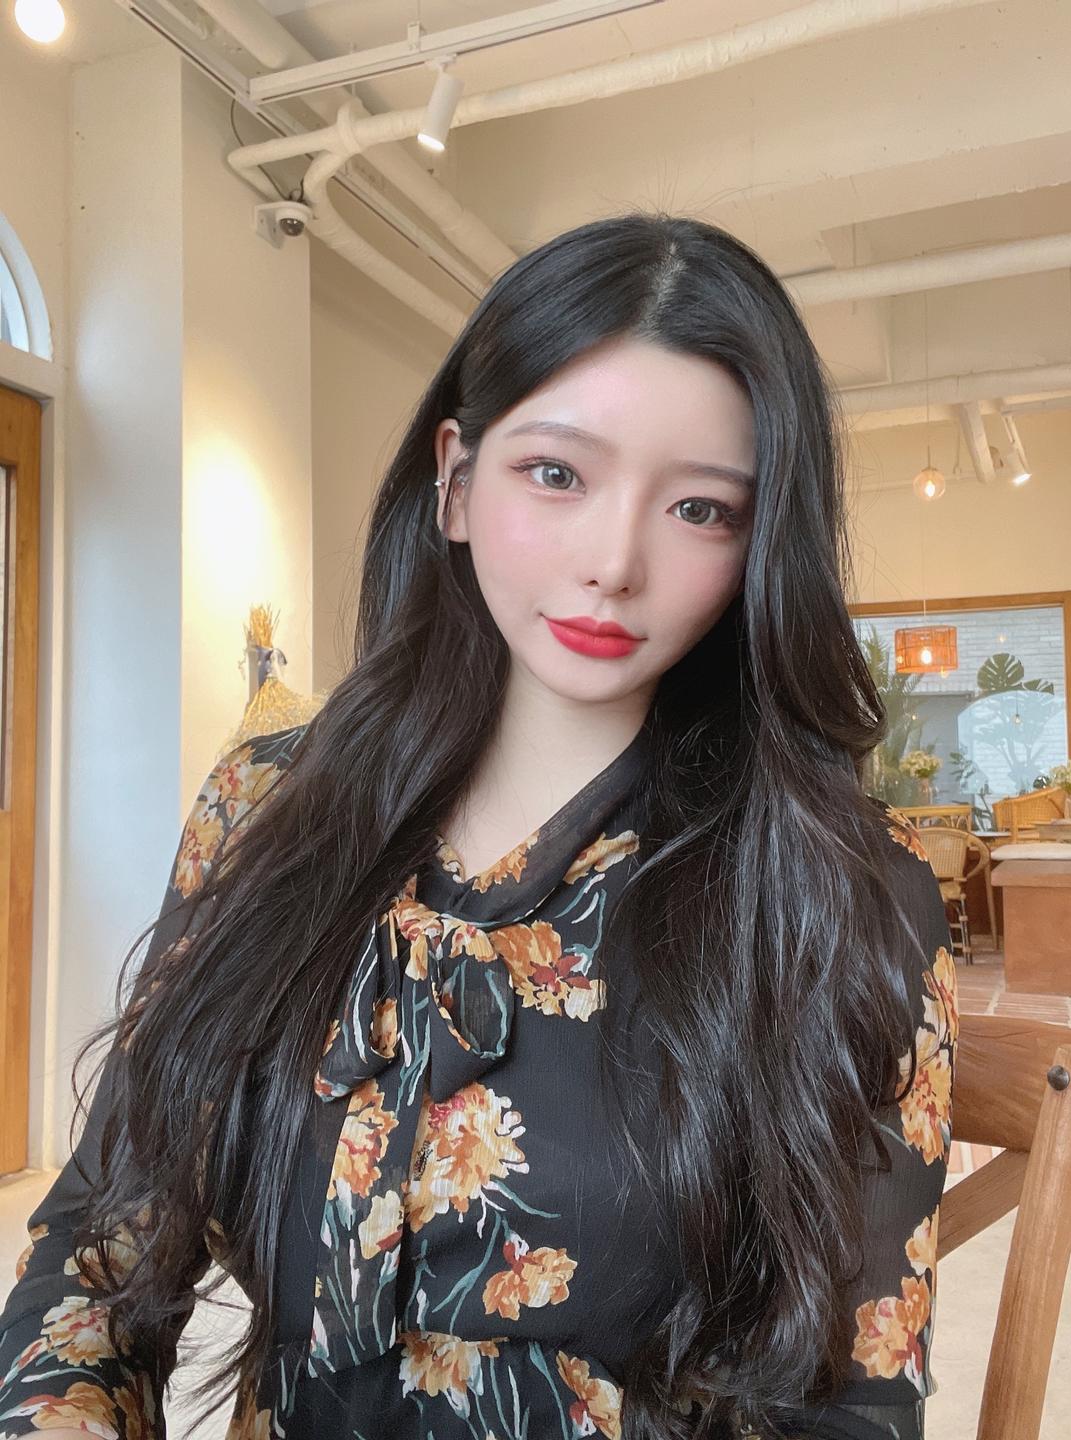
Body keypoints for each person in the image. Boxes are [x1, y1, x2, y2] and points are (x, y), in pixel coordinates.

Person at [0, 213, 957, 1440]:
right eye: (556, 474)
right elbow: (101, 1246)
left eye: (700, 509)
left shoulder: (843, 892)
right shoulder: (267, 805)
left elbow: (849, 1403)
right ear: (455, 481)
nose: (613, 562)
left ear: (761, 542)